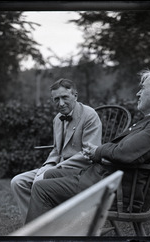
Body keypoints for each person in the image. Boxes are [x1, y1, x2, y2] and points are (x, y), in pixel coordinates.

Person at [25, 70, 150, 224]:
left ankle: (36, 237)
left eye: (143, 89)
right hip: (105, 176)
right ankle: (61, 230)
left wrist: (97, 151)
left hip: (113, 189)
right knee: (50, 174)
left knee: (41, 188)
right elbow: (125, 149)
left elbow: (125, 153)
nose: (138, 94)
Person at [11, 78, 102, 222]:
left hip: (81, 171)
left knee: (39, 181)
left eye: (65, 97)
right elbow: (56, 149)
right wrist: (47, 165)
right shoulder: (58, 118)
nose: (60, 103)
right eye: (56, 99)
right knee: (18, 181)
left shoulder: (89, 115)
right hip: (58, 166)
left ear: (75, 96)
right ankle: (34, 225)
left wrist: (55, 169)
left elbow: (88, 154)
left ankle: (46, 225)